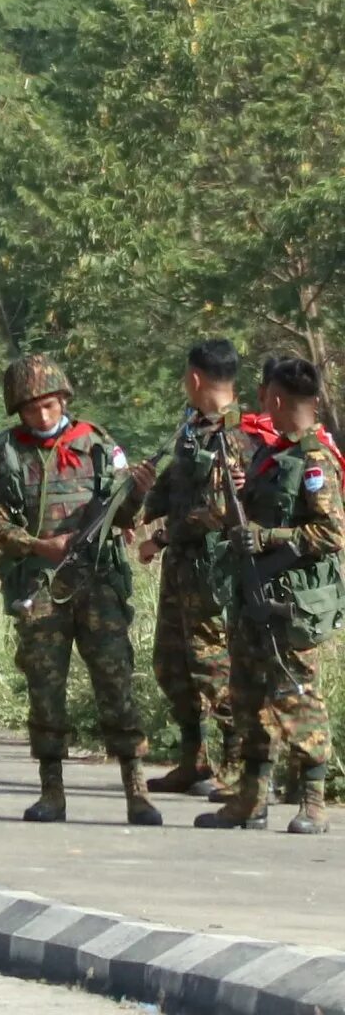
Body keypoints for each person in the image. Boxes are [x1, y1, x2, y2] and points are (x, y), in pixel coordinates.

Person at [0, 356, 159, 825]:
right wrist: (40, 544)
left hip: (99, 583)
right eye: (31, 408)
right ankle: (52, 791)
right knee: (45, 686)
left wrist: (139, 494)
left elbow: (123, 516)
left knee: (115, 681)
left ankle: (136, 790)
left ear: (64, 398)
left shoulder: (97, 445)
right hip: (41, 585)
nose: (42, 416)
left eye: (49, 404)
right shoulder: (7, 455)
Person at [196, 356, 342, 835]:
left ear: (274, 399)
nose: (260, 404)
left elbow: (331, 533)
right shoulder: (271, 453)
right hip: (252, 598)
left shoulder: (315, 459)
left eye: (263, 396)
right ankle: (251, 800)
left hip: (289, 603)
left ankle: (314, 801)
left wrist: (269, 538)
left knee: (295, 696)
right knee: (248, 698)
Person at [128, 339, 253, 797]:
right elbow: (174, 486)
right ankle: (193, 761)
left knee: (212, 669)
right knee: (170, 664)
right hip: (181, 569)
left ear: (196, 378)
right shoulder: (193, 428)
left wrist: (161, 537)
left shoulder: (235, 434)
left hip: (213, 572)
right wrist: (136, 502)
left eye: (186, 376)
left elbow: (224, 509)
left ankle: (240, 767)